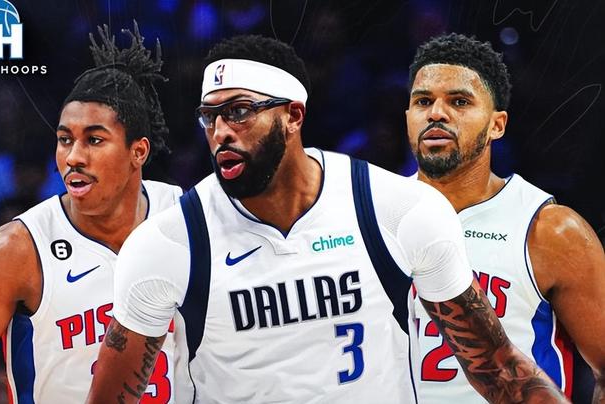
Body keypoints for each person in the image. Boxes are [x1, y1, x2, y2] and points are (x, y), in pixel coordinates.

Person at [87, 34, 567, 404]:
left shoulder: (396, 209)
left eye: (240, 112)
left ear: (293, 116)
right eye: (209, 117)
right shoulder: (167, 243)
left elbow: (498, 369)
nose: (221, 132)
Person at [0, 22, 181, 403]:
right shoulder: (18, 248)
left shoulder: (185, 218)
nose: (73, 157)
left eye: (94, 140)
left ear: (138, 151)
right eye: (65, 140)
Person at [406, 33, 605, 403]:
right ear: (408, 117)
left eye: (459, 101)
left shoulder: (549, 230)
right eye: (423, 101)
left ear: (497, 124)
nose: (436, 113)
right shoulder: (370, 213)